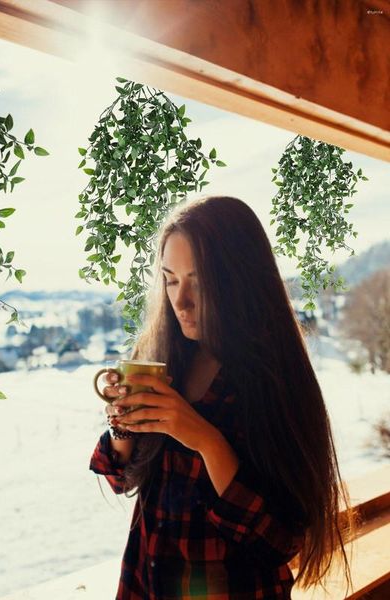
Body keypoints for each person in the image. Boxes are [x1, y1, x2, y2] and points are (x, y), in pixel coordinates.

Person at [89, 196, 353, 599]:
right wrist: (123, 420)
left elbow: (279, 541)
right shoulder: (166, 359)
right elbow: (119, 477)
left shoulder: (272, 378)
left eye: (198, 281)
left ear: (240, 279)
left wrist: (206, 440)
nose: (181, 301)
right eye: (171, 279)